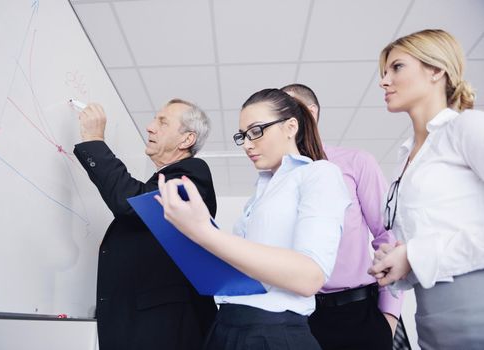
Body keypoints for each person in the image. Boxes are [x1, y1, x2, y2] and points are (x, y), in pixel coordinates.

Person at [156, 88, 351, 350]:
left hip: (271, 334)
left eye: (256, 131)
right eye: (243, 136)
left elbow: (309, 276)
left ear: (290, 127)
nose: (247, 144)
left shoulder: (319, 174)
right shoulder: (260, 191)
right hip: (225, 327)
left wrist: (205, 232)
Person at [368, 29, 484, 349]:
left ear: (436, 70)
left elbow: (428, 251)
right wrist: (398, 258)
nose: (384, 81)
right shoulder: (405, 157)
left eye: (397, 68)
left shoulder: (466, 128)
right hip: (430, 320)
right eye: (384, 72)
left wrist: (415, 254)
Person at [73, 99, 218, 350]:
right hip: (142, 328)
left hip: (166, 331)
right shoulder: (160, 183)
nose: (150, 127)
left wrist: (95, 142)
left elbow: (130, 205)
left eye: (162, 122)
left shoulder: (193, 171)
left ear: (186, 140)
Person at [280, 83, 403, 349]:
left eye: (285, 113)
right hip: (301, 316)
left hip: (358, 313)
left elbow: (387, 235)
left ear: (310, 113)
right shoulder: (279, 179)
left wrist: (390, 315)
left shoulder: (356, 162)